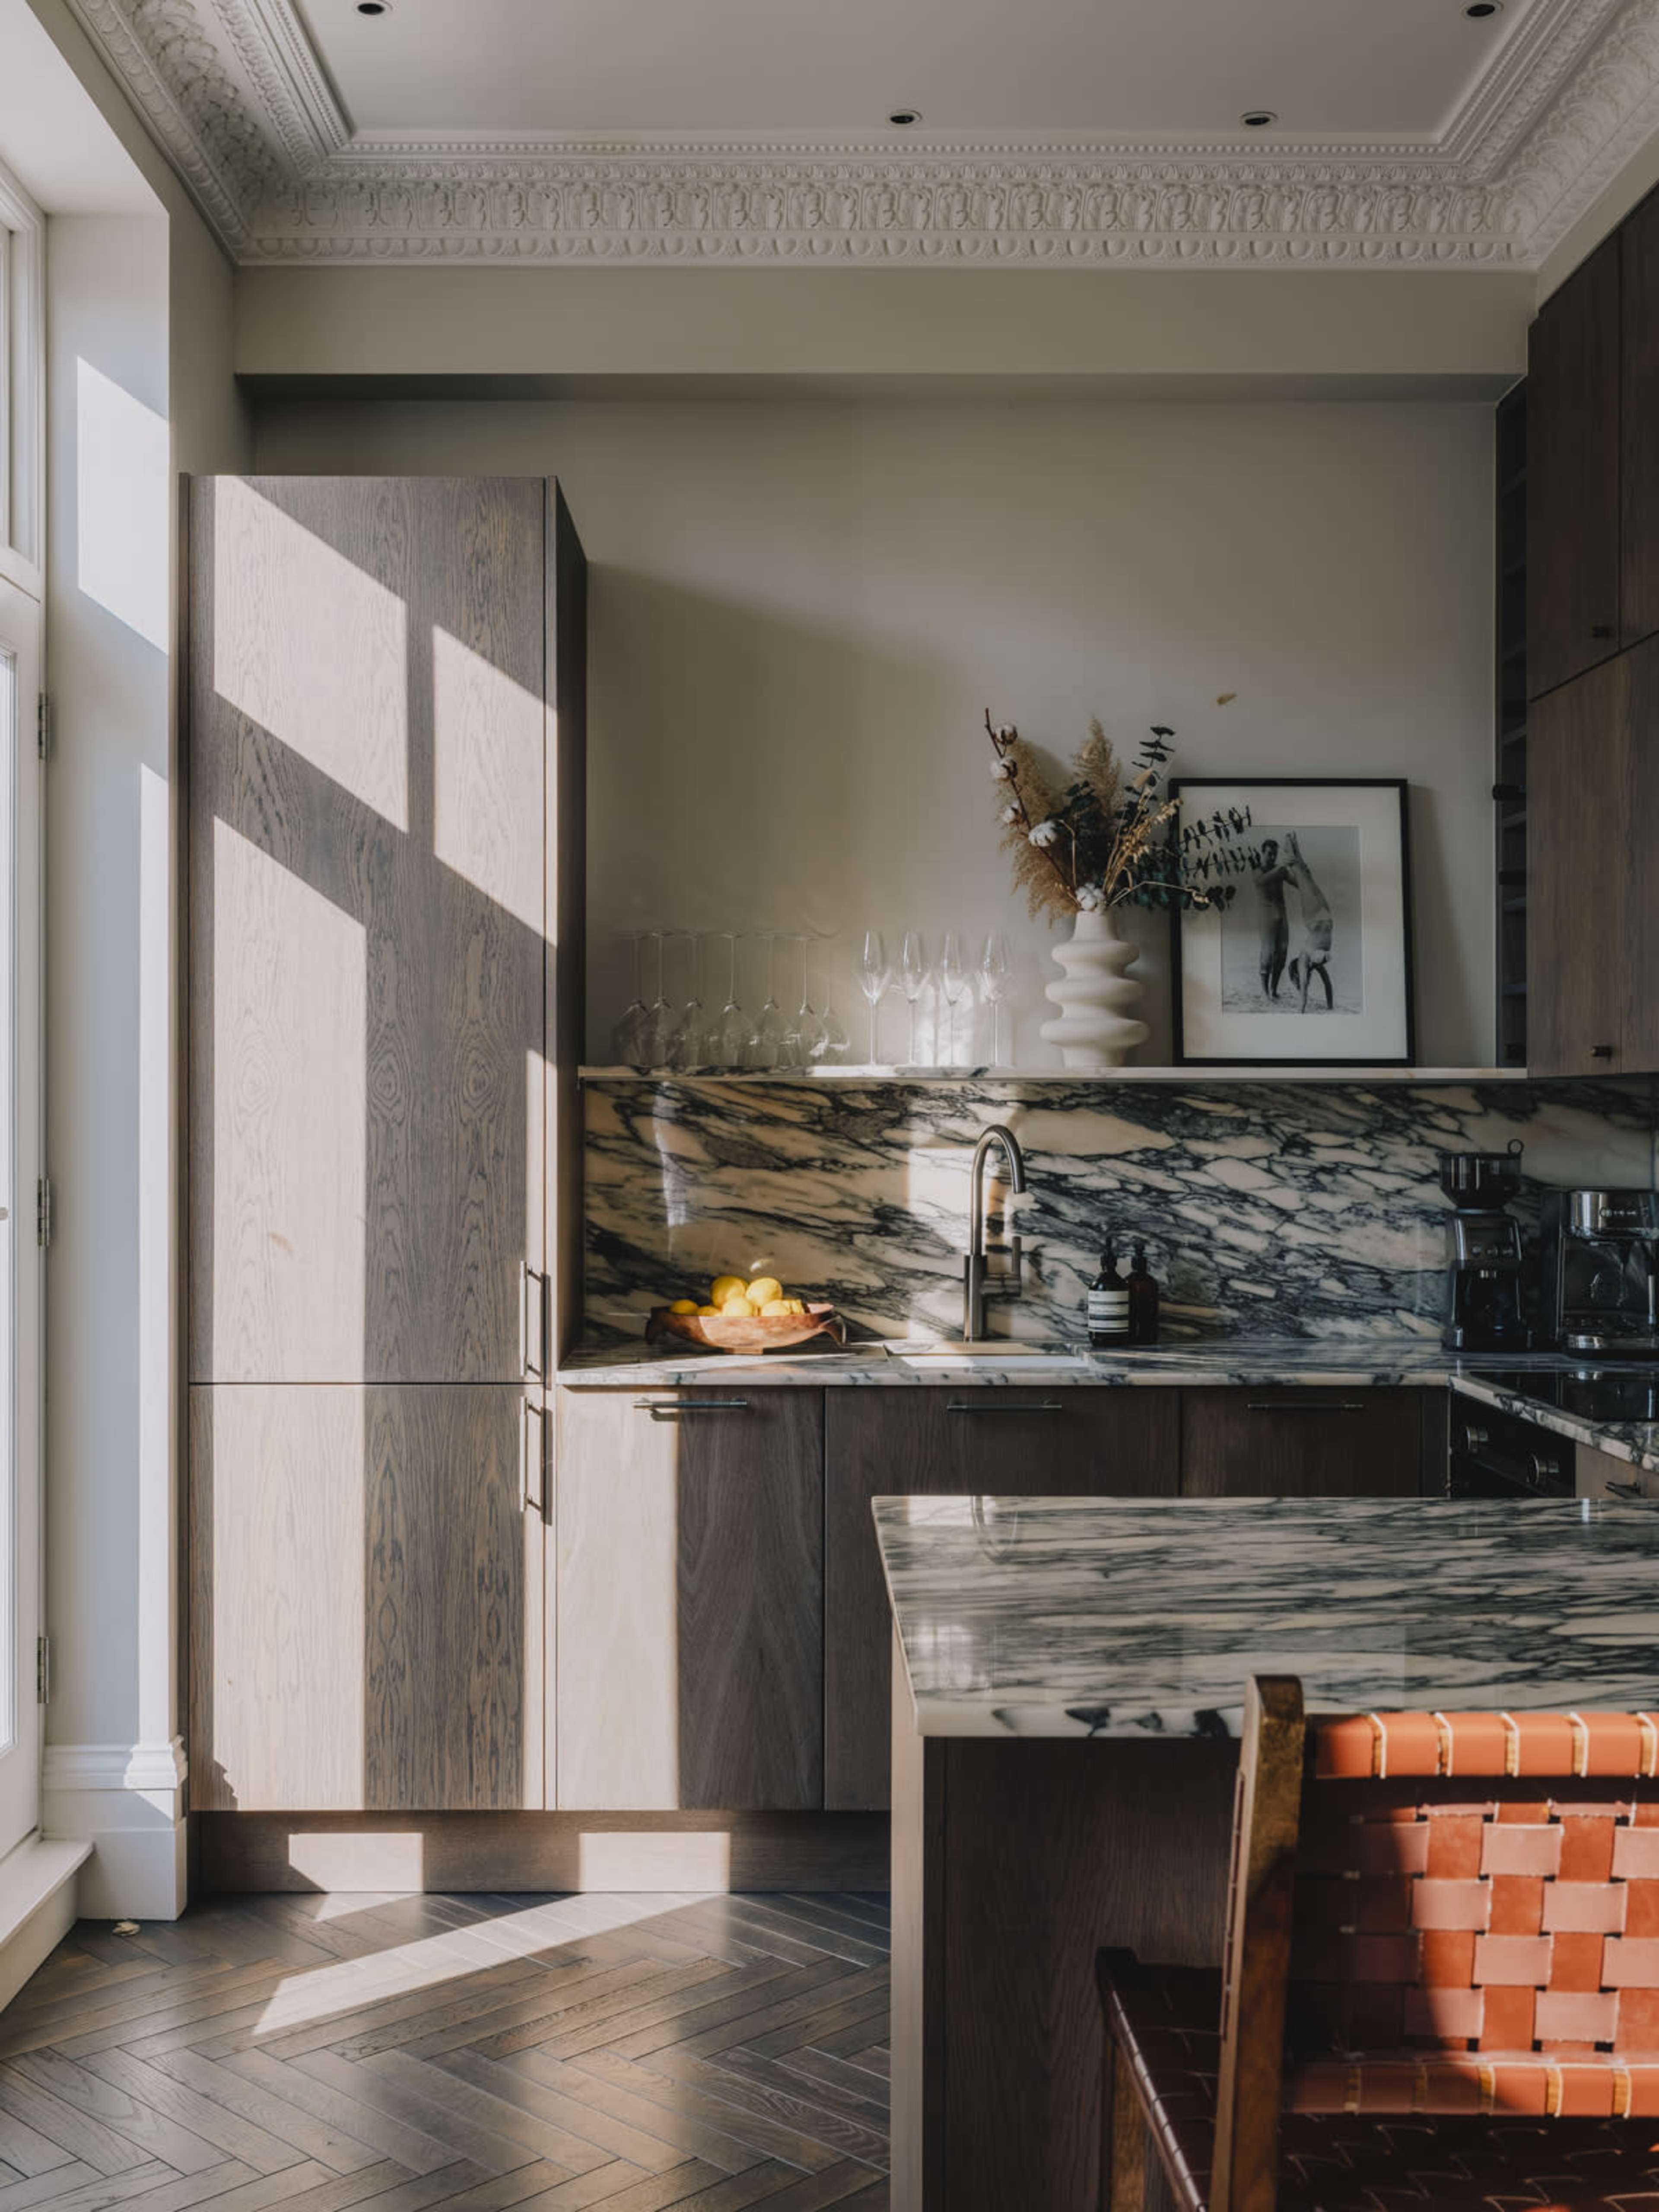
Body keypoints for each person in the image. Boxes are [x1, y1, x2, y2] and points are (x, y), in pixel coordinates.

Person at [1283, 830, 1335, 1013]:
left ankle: (1291, 847)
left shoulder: (1303, 961)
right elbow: (1328, 985)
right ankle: (1293, 847)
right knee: (1308, 879)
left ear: (1296, 972)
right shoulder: (1315, 965)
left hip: (1322, 919)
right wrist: (1330, 1008)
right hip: (1321, 918)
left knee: (1304, 877)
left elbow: (1304, 990)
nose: (1304, 979)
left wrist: (1301, 1012)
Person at [1252, 839, 1294, 1003]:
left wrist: (1301, 871)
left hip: (1282, 917)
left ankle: (1274, 990)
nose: (1271, 857)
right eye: (1269, 854)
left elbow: (1297, 883)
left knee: (1282, 955)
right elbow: (1261, 881)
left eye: (1274, 855)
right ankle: (1265, 993)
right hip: (1266, 918)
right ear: (1263, 853)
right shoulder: (1257, 870)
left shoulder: (1279, 870)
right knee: (1268, 955)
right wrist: (1282, 867)